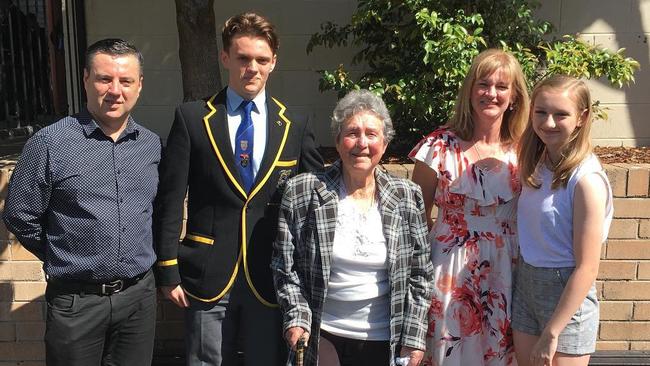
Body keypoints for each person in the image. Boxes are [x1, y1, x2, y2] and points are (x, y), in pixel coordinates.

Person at [153, 12, 323, 366]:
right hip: (207, 276)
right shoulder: (192, 119)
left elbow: (316, 204)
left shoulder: (294, 124)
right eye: (243, 58)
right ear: (226, 58)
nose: (252, 68)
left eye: (262, 60)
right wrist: (167, 269)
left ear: (274, 63)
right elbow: (170, 201)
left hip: (272, 276)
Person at [2, 38, 159, 365]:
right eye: (105, 79)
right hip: (76, 303)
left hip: (138, 301)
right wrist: (63, 252)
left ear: (140, 86)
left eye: (126, 81)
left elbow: (152, 212)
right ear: (86, 79)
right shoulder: (50, 143)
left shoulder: (151, 146)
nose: (115, 90)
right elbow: (20, 215)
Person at [272, 89, 433, 366]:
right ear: (337, 141)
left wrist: (414, 337)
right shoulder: (303, 191)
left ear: (384, 143)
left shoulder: (407, 196)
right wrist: (296, 315)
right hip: (323, 334)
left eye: (371, 134)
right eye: (352, 133)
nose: (362, 143)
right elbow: (284, 267)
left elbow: (421, 275)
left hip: (386, 338)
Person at [409, 48, 530, 366]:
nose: (491, 93)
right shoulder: (437, 148)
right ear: (470, 90)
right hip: (448, 272)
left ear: (514, 96)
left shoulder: (528, 151)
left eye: (502, 87)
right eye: (483, 84)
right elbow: (417, 222)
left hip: (507, 272)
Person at [512, 75, 613, 366]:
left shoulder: (586, 180)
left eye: (561, 114)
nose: (548, 122)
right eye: (541, 112)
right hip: (527, 283)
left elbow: (587, 267)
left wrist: (552, 331)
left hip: (566, 294)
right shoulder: (538, 164)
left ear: (581, 118)